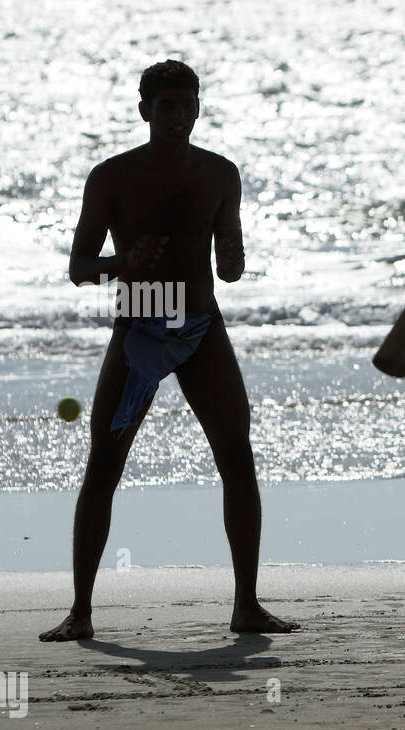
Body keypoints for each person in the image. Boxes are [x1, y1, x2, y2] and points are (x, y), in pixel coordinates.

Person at [39, 60, 297, 641]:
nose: (178, 115)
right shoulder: (111, 177)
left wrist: (232, 261)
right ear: (145, 111)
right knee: (105, 462)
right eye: (166, 106)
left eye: (187, 104)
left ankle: (246, 605)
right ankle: (79, 612)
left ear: (198, 108)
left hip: (202, 326)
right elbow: (80, 269)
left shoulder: (220, 173)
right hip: (138, 331)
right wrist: (121, 265)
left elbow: (230, 264)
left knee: (236, 454)